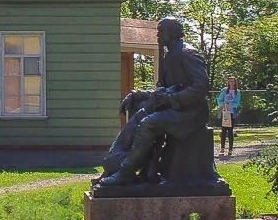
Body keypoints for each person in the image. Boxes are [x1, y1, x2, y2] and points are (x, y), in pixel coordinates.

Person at [97, 18, 210, 186]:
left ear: (172, 33)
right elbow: (162, 88)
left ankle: (126, 171)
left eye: (161, 31)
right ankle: (115, 166)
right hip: (175, 108)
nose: (157, 35)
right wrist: (138, 94)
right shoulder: (170, 55)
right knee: (138, 114)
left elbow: (201, 86)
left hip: (191, 112)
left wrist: (173, 98)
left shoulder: (187, 53)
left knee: (149, 123)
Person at [216, 77, 242, 157]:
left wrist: (230, 104)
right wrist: (224, 104)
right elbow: (219, 100)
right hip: (224, 112)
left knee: (230, 131)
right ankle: (222, 148)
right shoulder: (224, 90)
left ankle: (230, 149)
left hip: (232, 112)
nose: (231, 82)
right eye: (230, 81)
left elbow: (237, 103)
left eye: (233, 81)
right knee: (223, 131)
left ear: (235, 82)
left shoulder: (237, 92)